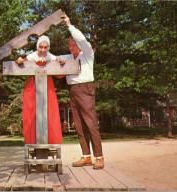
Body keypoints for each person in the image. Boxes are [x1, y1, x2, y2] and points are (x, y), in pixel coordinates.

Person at [62, 15, 104, 169]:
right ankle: (86, 156)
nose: (70, 47)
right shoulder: (67, 58)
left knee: (91, 124)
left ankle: (99, 157)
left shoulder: (87, 53)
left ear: (79, 45)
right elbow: (49, 58)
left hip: (85, 89)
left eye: (73, 44)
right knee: (79, 125)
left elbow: (81, 40)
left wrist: (69, 25)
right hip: (72, 90)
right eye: (69, 45)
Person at [15, 35, 63, 144]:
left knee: (49, 111)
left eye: (46, 47)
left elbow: (61, 74)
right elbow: (18, 65)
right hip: (32, 87)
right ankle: (32, 140)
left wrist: (62, 62)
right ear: (37, 47)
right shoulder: (31, 57)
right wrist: (18, 61)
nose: (43, 50)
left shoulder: (52, 58)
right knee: (32, 112)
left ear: (48, 47)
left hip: (47, 87)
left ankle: (51, 140)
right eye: (41, 47)